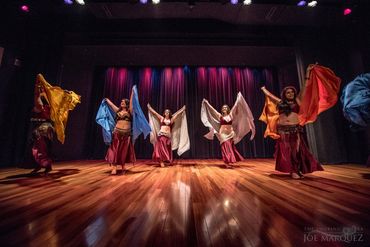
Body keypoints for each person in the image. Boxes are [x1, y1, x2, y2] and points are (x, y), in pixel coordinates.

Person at [260, 64, 341, 178]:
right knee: (286, 151)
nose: (290, 94)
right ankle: (293, 170)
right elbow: (270, 96)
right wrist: (263, 89)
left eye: (292, 92)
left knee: (295, 150)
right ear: (285, 94)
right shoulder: (280, 102)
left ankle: (296, 170)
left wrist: (307, 72)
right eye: (288, 92)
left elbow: (306, 86)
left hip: (295, 129)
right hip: (282, 130)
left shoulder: (298, 100)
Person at [30, 74, 81, 174]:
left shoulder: (46, 105)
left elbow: (40, 98)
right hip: (39, 126)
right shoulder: (43, 103)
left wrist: (65, 94)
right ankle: (42, 165)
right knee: (39, 147)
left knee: (41, 147)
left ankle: (45, 164)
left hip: (44, 127)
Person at [96, 85, 151, 175]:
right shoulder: (118, 111)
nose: (121, 103)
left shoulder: (130, 112)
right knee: (115, 150)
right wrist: (107, 100)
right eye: (121, 101)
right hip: (117, 132)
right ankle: (114, 167)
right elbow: (111, 105)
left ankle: (123, 166)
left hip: (127, 134)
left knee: (124, 151)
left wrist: (132, 93)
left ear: (126, 103)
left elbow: (132, 104)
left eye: (123, 102)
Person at [201, 92, 255, 168]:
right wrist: (207, 103)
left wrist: (238, 98)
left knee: (230, 147)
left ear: (228, 109)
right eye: (223, 108)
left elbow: (236, 106)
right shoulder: (220, 116)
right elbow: (212, 110)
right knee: (225, 146)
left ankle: (229, 161)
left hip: (230, 133)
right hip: (223, 133)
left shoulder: (231, 115)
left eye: (226, 107)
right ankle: (227, 162)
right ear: (222, 109)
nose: (224, 108)